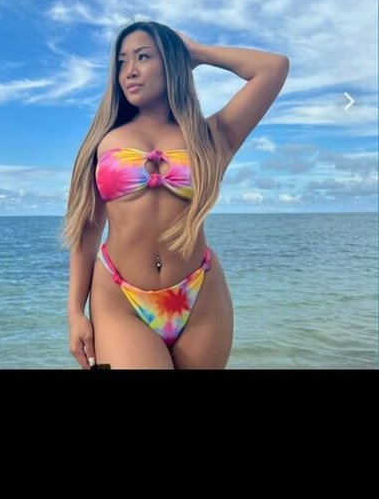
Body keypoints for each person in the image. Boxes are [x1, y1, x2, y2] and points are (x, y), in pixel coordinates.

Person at [63, 20, 289, 369]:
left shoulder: (211, 136)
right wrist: (75, 312)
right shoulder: (103, 140)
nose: (130, 70)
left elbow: (273, 68)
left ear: (170, 62)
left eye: (143, 57)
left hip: (201, 293)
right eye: (122, 62)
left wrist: (194, 52)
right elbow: (87, 229)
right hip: (121, 297)